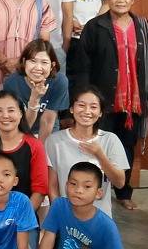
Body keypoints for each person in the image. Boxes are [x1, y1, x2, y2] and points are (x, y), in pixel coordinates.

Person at [67, 0, 148, 211]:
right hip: (102, 102)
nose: (120, 0)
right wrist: (82, 97)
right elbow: (82, 65)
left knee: (126, 147)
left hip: (134, 102)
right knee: (96, 145)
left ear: (132, 0)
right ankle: (93, 191)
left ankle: (123, 191)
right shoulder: (95, 27)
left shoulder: (143, 27)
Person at [46, 86, 128, 215]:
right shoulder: (55, 141)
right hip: (66, 216)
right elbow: (52, 185)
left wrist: (100, 155)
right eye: (81, 105)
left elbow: (120, 183)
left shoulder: (110, 140)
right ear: (72, 109)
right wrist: (60, 213)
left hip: (100, 217)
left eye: (93, 107)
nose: (87, 111)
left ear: (100, 112)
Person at [0, 91, 49, 213]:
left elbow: (40, 190)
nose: (5, 116)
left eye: (11, 110)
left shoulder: (35, 145)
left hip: (23, 215)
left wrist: (21, 218)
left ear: (21, 113)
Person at [2, 39, 69, 142]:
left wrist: (40, 148)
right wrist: (34, 99)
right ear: (24, 62)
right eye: (33, 61)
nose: (38, 68)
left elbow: (47, 121)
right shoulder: (11, 83)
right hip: (21, 131)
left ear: (52, 65)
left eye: (44, 62)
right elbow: (22, 125)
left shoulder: (59, 81)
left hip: (48, 133)